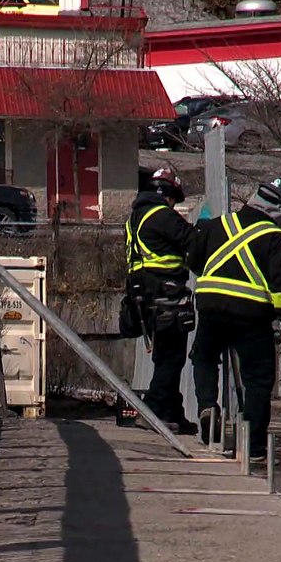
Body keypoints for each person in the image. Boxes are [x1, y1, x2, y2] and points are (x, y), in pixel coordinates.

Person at [187, 177, 281, 464]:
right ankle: (253, 447)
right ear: (280, 209)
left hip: (211, 306)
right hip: (251, 315)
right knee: (258, 379)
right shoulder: (276, 238)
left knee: (204, 357)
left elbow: (194, 260)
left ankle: (208, 406)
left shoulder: (217, 225)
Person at [125, 168, 198, 435]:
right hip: (165, 293)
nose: (174, 206)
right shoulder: (162, 216)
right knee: (171, 356)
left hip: (143, 295)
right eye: (174, 201)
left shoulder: (135, 218)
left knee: (165, 355)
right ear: (167, 195)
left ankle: (172, 412)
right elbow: (193, 240)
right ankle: (153, 411)